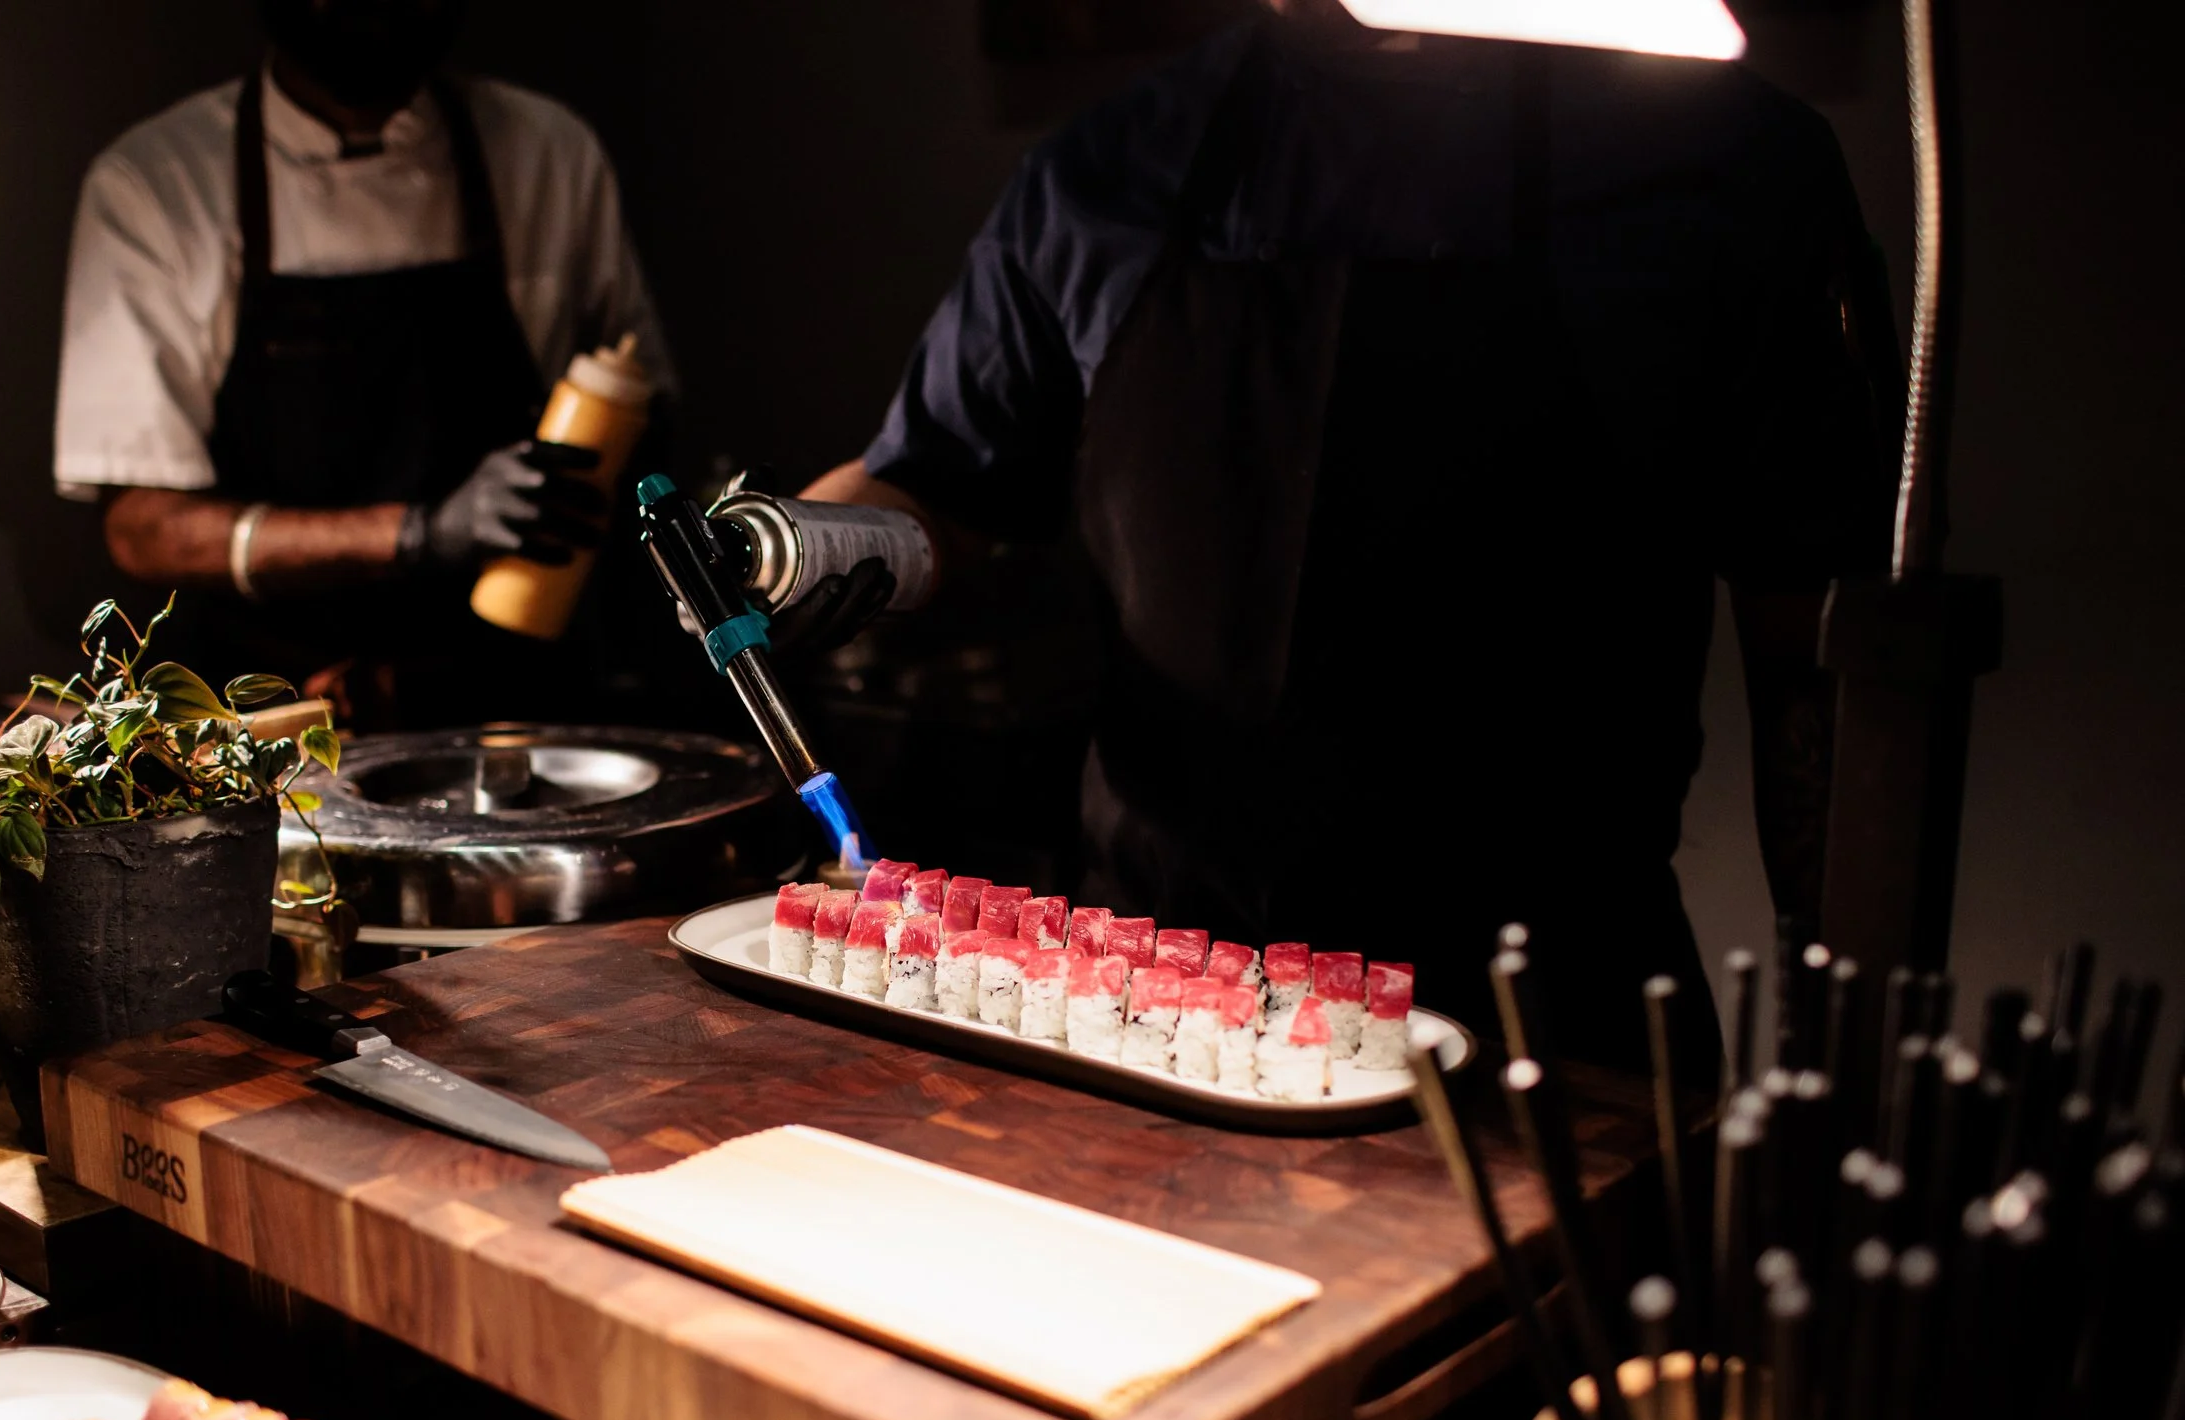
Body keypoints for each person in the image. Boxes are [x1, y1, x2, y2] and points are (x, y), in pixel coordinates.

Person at [797, 5, 1900, 1071]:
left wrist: (1850, 1054)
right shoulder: (1109, 170)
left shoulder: (1725, 167)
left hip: (1549, 1035)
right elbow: (929, 491)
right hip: (1162, 1015)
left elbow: (1819, 644)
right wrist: (782, 548)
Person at [52, 0, 671, 728]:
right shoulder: (157, 183)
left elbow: (646, 408)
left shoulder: (549, 153)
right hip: (279, 718)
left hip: (514, 703)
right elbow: (145, 528)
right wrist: (419, 534)